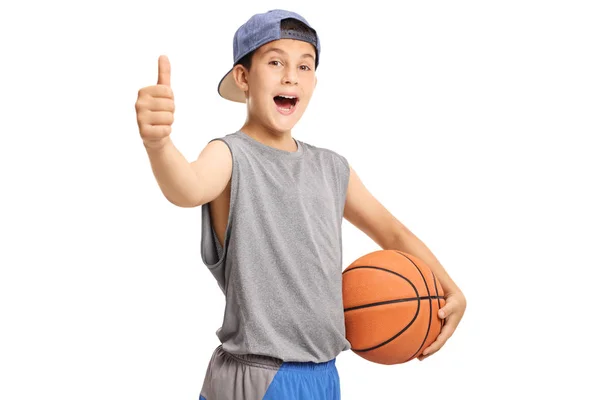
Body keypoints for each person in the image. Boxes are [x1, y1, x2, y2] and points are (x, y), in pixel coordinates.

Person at [135, 9, 466, 400]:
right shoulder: (230, 155)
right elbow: (187, 187)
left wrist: (449, 289)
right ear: (243, 77)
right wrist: (158, 144)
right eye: (275, 62)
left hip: (323, 375)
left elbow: (392, 232)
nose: (291, 75)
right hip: (260, 375)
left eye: (304, 66)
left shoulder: (332, 168)